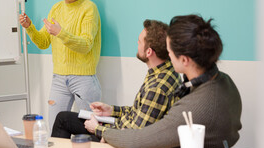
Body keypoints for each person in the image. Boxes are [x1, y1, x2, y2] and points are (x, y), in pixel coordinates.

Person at [85, 14, 242, 148]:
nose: (167, 56)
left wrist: (100, 129)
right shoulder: (223, 80)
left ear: (184, 60)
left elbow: (136, 141)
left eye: (170, 52)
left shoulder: (195, 106)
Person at [52, 19, 181, 140]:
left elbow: (135, 134)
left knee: (63, 121)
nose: (137, 43)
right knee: (63, 117)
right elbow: (140, 112)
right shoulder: (166, 71)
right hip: (123, 126)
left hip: (123, 137)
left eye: (139, 41)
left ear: (149, 52)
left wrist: (97, 129)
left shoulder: (157, 87)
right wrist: (111, 110)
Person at [19, 0, 102, 130]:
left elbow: (86, 45)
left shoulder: (89, 8)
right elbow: (43, 42)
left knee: (90, 130)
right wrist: (29, 27)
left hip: (84, 80)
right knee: (54, 128)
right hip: (59, 79)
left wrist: (60, 33)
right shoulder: (56, 9)